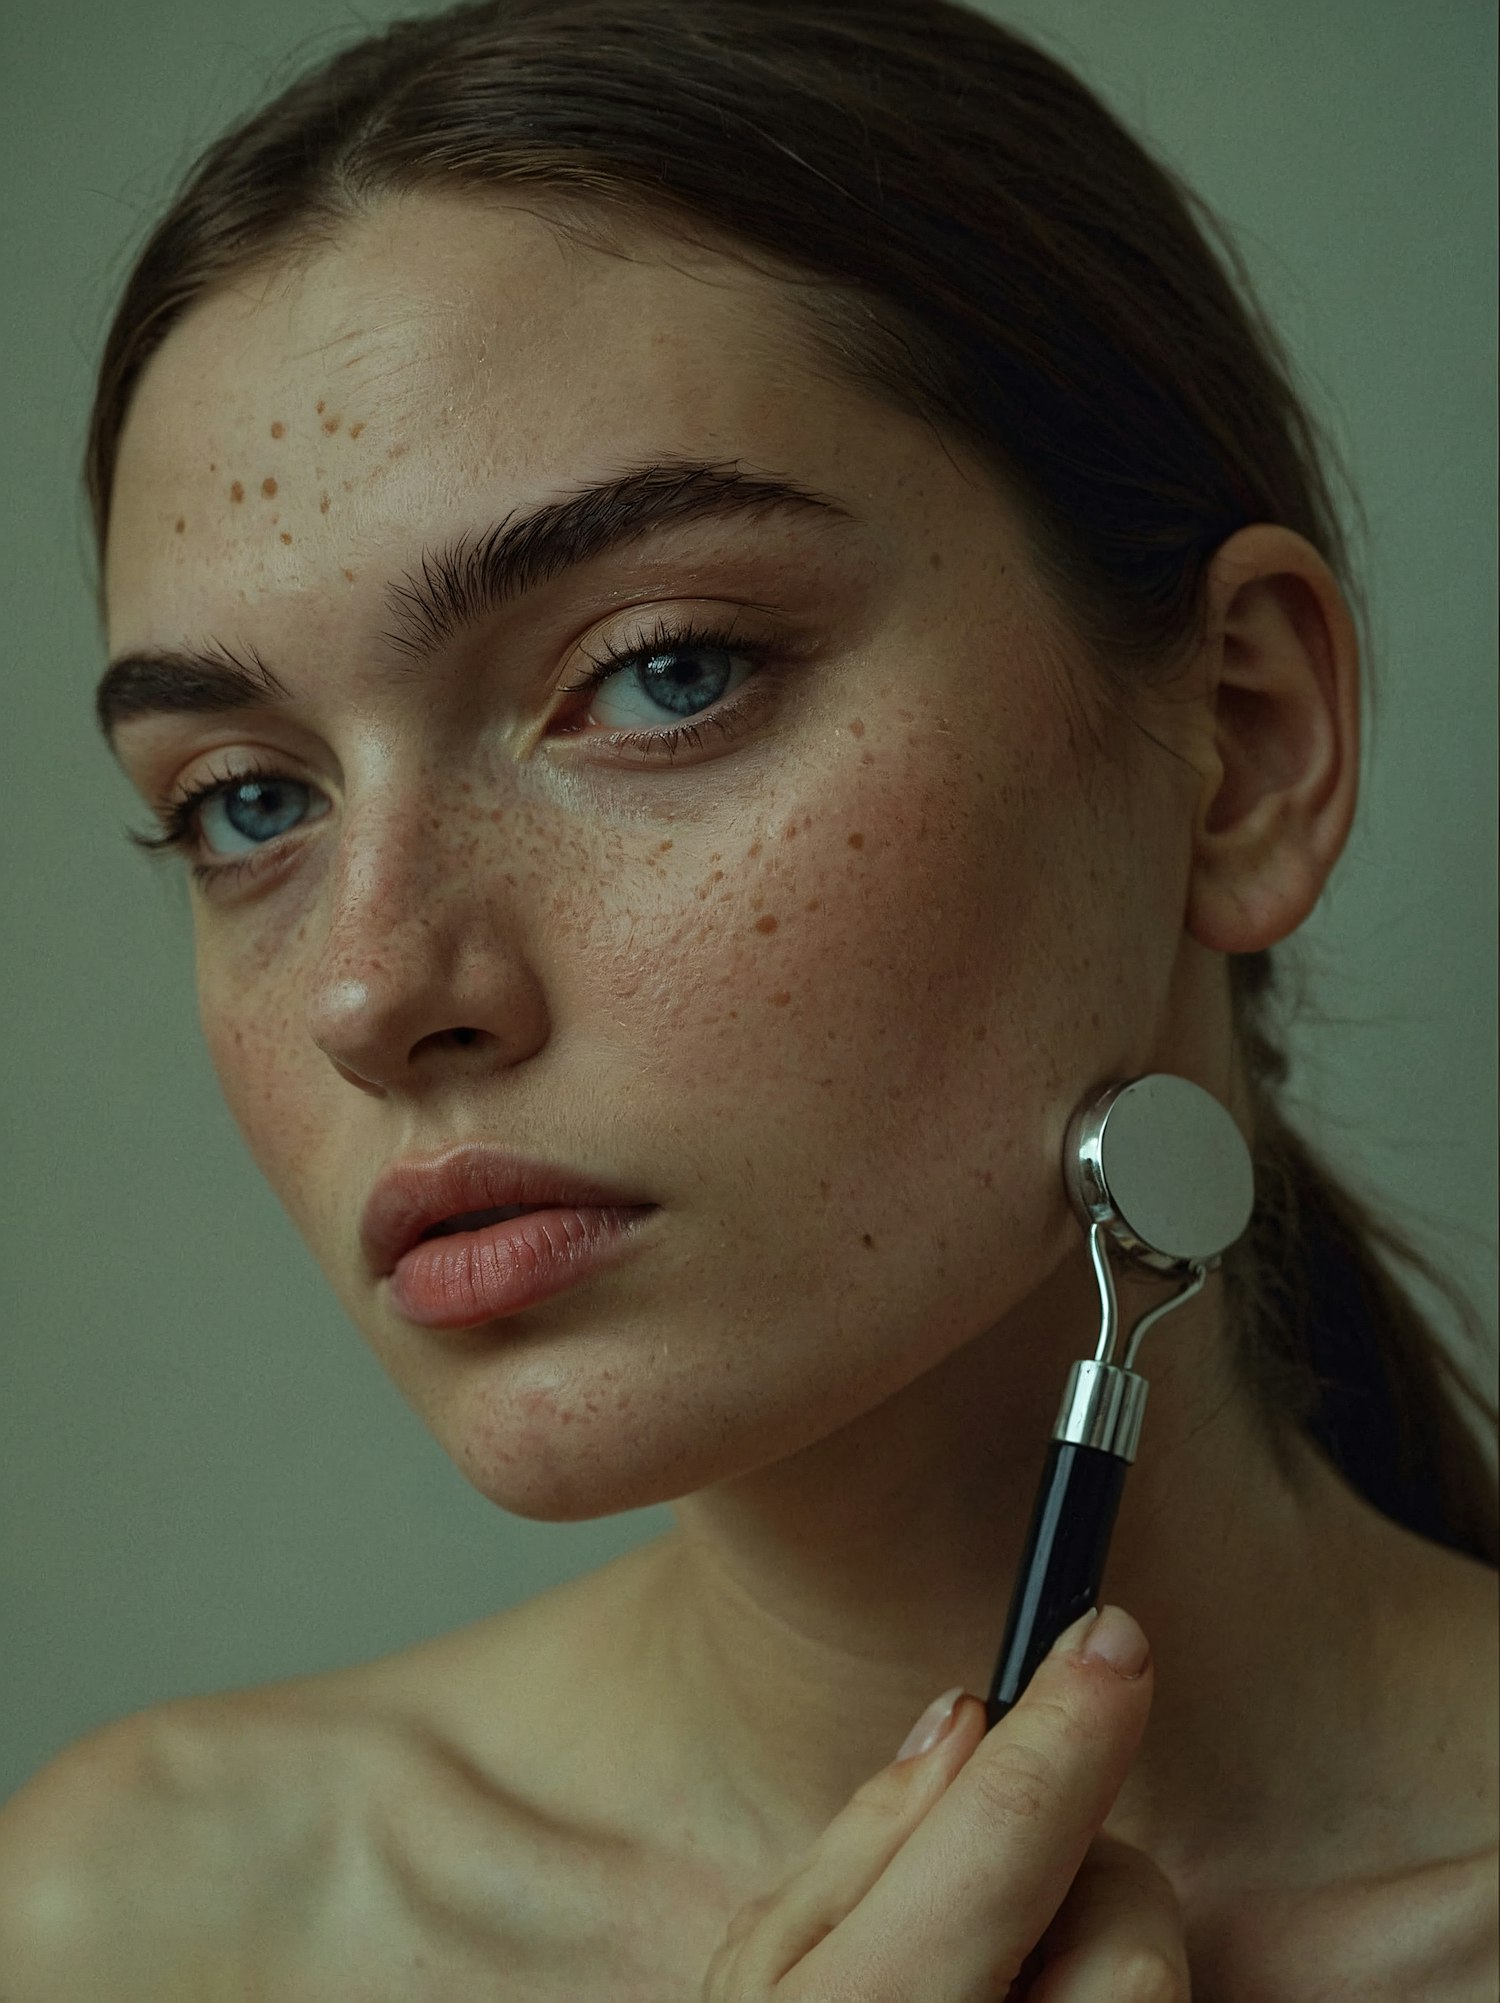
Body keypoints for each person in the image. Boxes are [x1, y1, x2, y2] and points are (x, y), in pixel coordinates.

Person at [2, 1, 1495, 1994]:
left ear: (1244, 738)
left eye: (661, 673)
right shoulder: (147, 1928)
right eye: (247, 802)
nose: (371, 985)